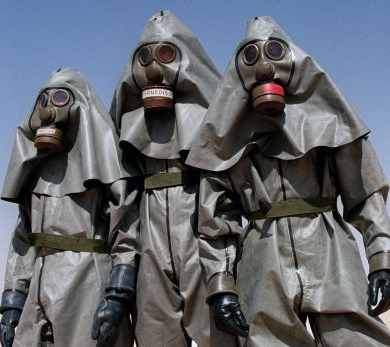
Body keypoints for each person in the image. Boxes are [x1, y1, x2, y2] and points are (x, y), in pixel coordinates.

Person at [186, 16, 390, 346]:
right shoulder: (226, 140)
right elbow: (215, 221)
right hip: (262, 258)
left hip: (330, 250)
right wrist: (221, 286)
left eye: (273, 52)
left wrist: (383, 258)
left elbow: (365, 195)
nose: (263, 68)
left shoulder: (332, 122)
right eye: (250, 57)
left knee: (357, 339)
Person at [96, 10, 236, 347]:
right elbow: (123, 205)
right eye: (144, 57)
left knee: (220, 337)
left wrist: (223, 272)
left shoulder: (212, 126)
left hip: (200, 238)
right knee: (156, 336)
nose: (154, 68)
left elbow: (225, 198)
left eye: (166, 54)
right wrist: (123, 274)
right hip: (151, 243)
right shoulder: (127, 128)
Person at [0, 68, 138, 347]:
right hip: (38, 282)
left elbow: (127, 232)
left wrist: (117, 294)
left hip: (87, 282)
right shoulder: (34, 172)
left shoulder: (105, 168)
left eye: (60, 98)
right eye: (44, 100)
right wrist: (13, 300)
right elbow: (23, 239)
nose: (49, 109)